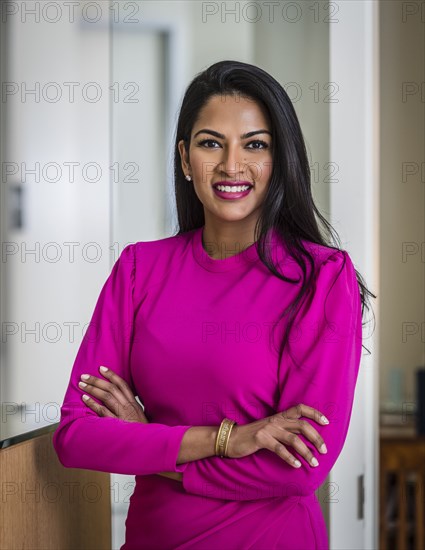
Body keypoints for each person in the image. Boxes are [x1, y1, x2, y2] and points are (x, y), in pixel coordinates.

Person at [52, 60, 375, 549]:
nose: (231, 165)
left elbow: (298, 468)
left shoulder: (323, 279)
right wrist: (228, 438)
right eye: (210, 143)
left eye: (255, 144)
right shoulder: (139, 270)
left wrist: (153, 444)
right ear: (185, 159)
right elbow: (76, 436)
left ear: (279, 159)